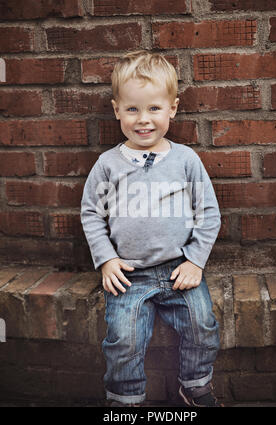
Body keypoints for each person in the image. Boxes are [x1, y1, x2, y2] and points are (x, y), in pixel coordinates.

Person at [81, 51, 222, 407]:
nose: (143, 120)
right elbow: (91, 214)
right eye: (132, 109)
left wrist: (195, 262)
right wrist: (107, 260)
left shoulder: (186, 160)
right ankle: (125, 400)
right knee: (123, 340)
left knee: (202, 325)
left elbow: (209, 213)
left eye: (154, 109)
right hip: (128, 275)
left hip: (179, 270)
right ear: (116, 110)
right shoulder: (108, 165)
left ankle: (195, 385)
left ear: (172, 108)